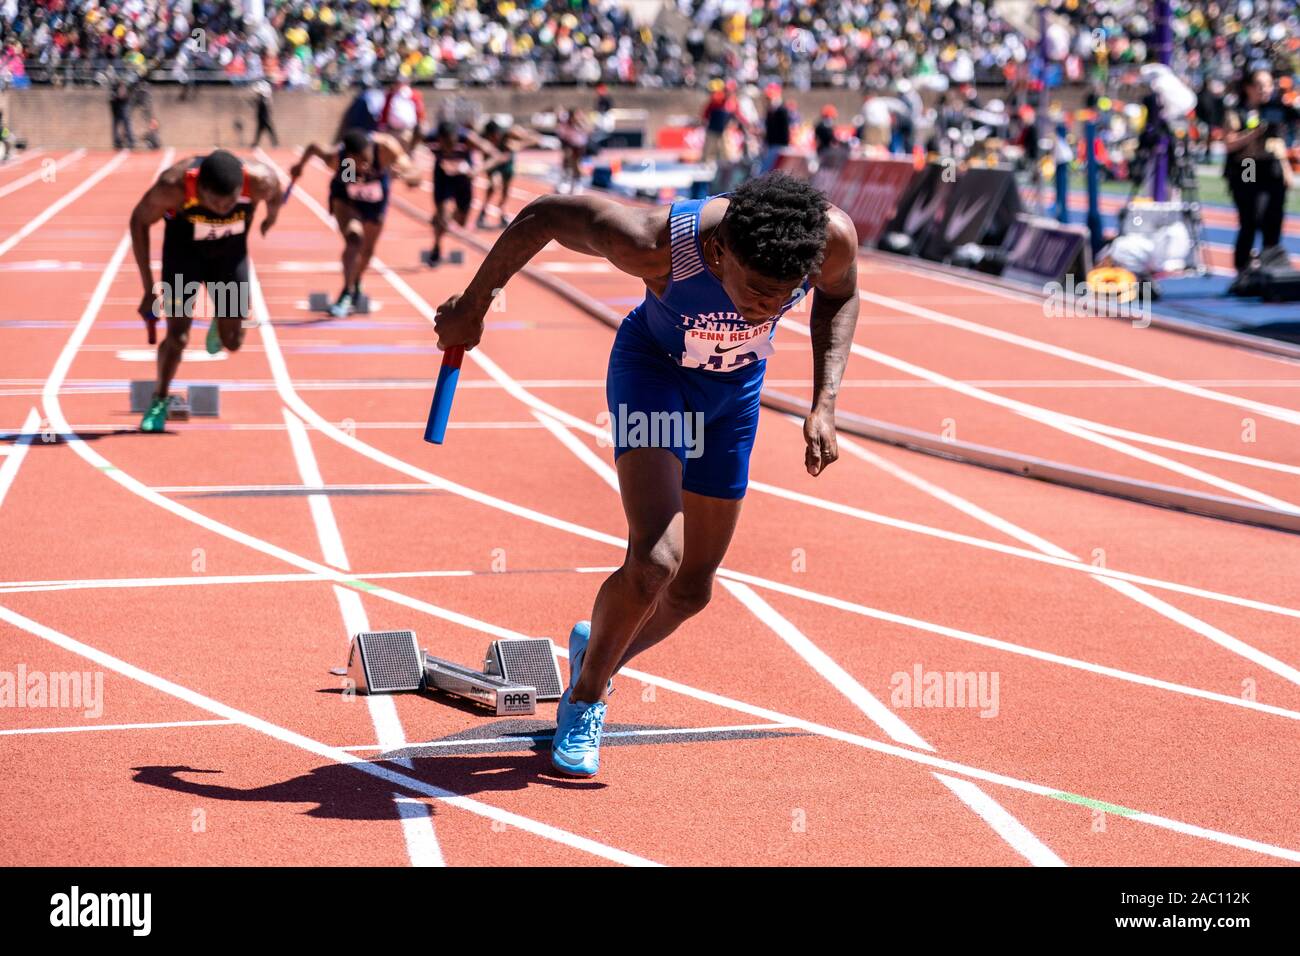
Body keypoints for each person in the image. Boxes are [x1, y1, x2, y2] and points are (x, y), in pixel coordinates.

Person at [432, 172, 860, 777]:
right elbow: (545, 215)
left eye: (782, 296)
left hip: (733, 395)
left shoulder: (828, 237)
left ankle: (598, 654)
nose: (767, 307)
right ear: (720, 252)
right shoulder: (655, 242)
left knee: (691, 591)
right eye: (756, 290)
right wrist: (474, 306)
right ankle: (585, 699)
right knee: (657, 561)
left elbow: (841, 293)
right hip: (655, 375)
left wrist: (825, 403)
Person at [128, 150, 283, 432]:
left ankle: (221, 319)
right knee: (177, 337)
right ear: (199, 188)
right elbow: (139, 220)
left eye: (230, 202)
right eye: (214, 202)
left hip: (229, 257)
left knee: (232, 342)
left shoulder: (260, 181)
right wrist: (148, 289)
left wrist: (271, 218)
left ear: (242, 188)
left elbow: (276, 192)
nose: (222, 209)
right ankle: (159, 399)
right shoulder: (173, 186)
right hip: (184, 256)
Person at [289, 128, 421, 316]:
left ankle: (356, 279)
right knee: (354, 239)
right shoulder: (338, 159)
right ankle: (347, 291)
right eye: (357, 162)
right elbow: (313, 148)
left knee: (367, 251)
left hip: (375, 201)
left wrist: (410, 176)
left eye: (366, 160)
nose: (363, 166)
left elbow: (413, 171)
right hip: (347, 200)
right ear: (348, 157)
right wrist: (299, 166)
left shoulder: (384, 148)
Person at [1224, 67, 1295, 281]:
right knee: (1251, 215)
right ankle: (1243, 267)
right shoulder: (1238, 111)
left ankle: (1271, 264)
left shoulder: (1276, 109)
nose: (1265, 90)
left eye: (1268, 85)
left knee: (1274, 216)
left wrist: (1286, 170)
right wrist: (1254, 133)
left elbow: (1280, 141)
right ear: (1248, 88)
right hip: (1248, 164)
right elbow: (1229, 143)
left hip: (1271, 164)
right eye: (1259, 85)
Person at [422, 119, 499, 265]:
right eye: (445, 144)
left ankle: (442, 219)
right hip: (443, 177)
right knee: (443, 217)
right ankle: (436, 248)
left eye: (452, 144)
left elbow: (495, 155)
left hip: (463, 178)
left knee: (461, 221)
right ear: (439, 139)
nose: (449, 149)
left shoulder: (467, 138)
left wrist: (478, 169)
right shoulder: (429, 139)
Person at [477, 118, 540, 229]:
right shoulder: (484, 140)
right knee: (493, 185)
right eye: (491, 137)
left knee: (505, 190)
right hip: (494, 163)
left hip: (507, 164)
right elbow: (486, 158)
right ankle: (482, 214)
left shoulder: (509, 133)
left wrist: (519, 144)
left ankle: (502, 214)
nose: (494, 139)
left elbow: (535, 139)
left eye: (495, 136)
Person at [251, 81, 277, 148]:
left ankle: (275, 143)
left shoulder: (264, 99)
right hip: (261, 118)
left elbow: (266, 108)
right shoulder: (260, 98)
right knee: (259, 131)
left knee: (269, 130)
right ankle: (255, 144)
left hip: (265, 118)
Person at [110, 81, 134, 149]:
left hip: (123, 113)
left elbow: (125, 99)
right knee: (115, 127)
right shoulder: (114, 96)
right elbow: (113, 102)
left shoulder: (126, 97)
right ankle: (117, 142)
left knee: (127, 126)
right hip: (116, 112)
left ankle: (130, 141)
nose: (122, 91)